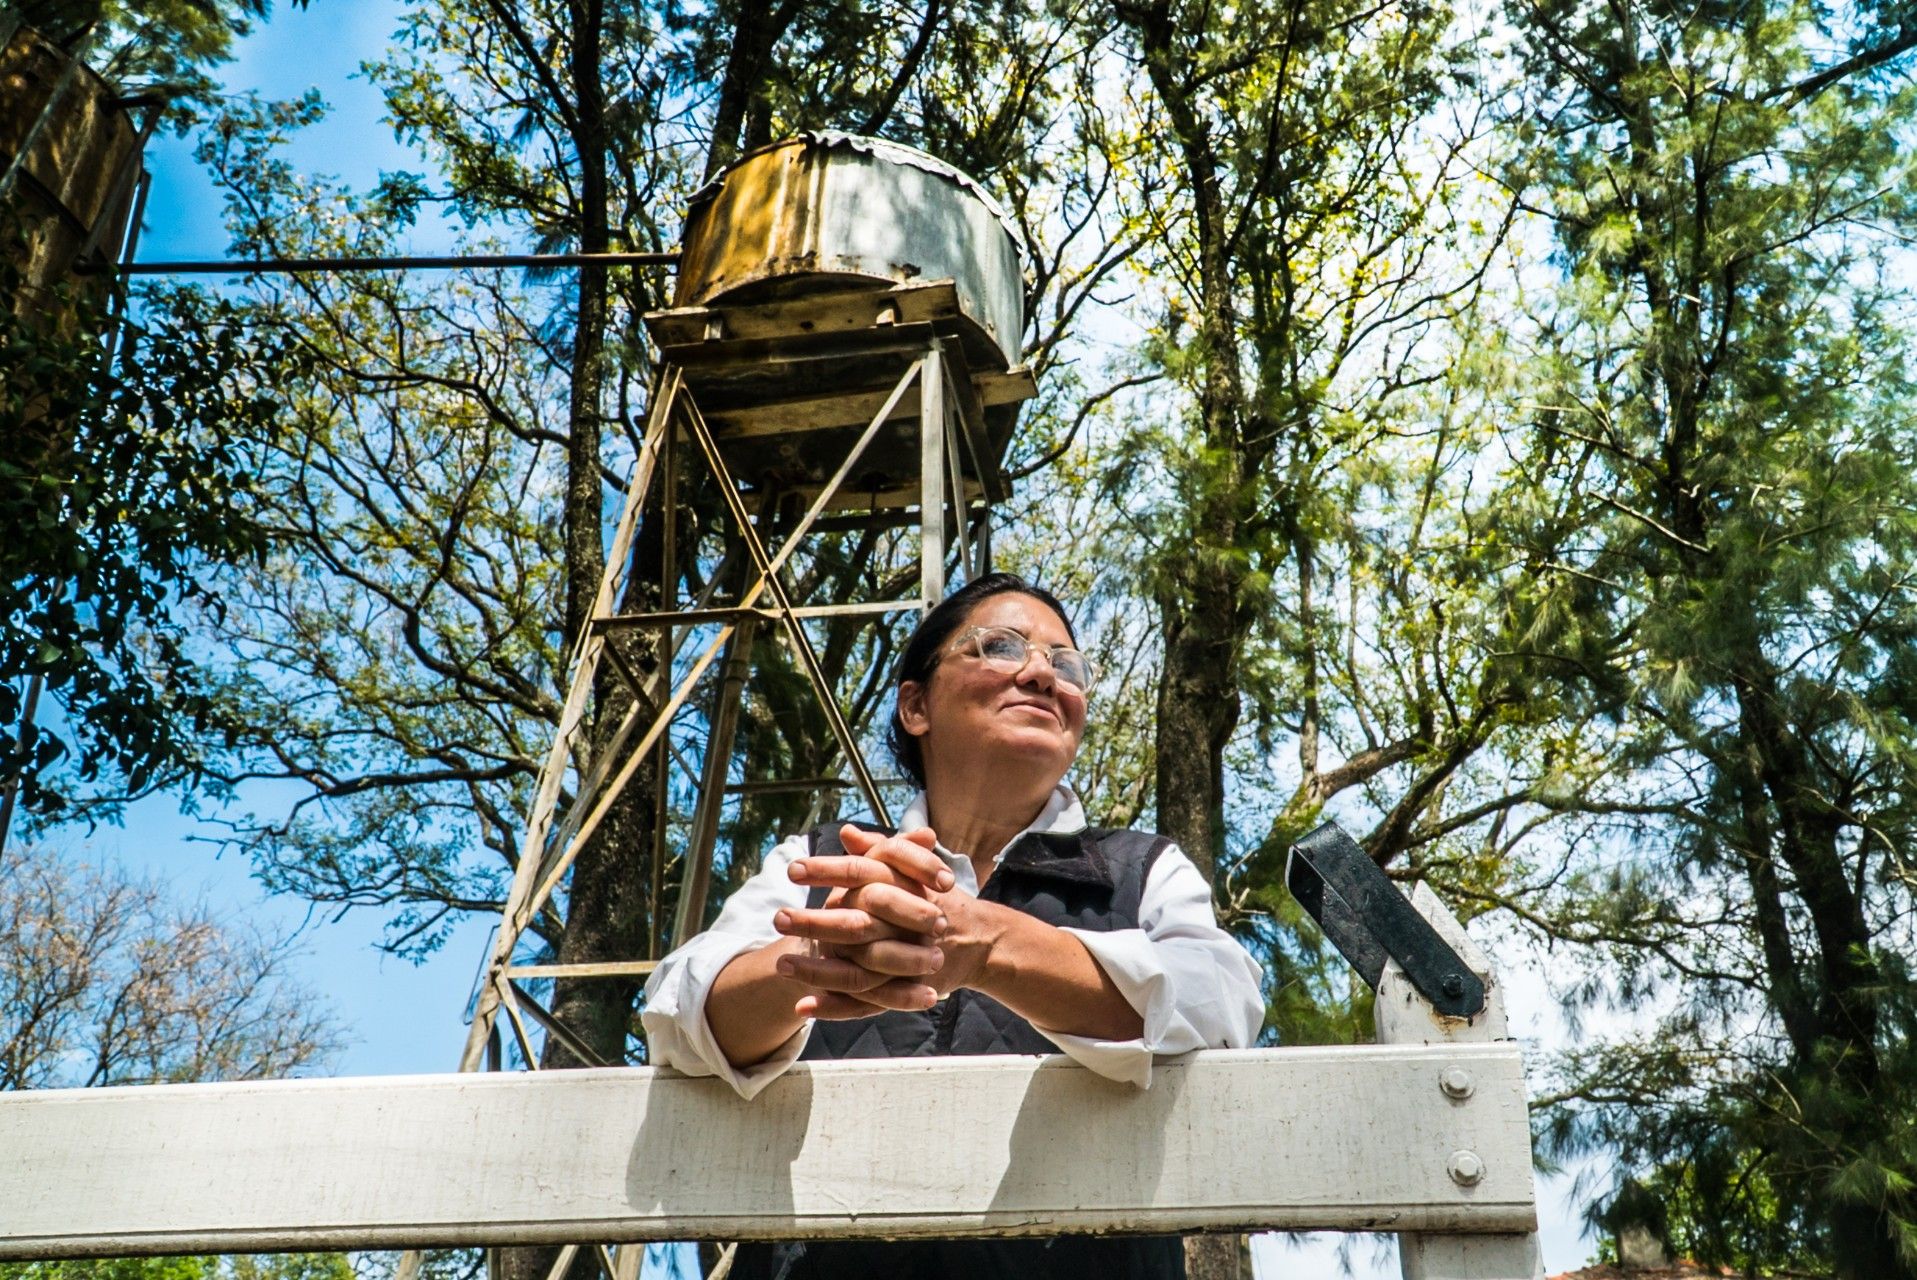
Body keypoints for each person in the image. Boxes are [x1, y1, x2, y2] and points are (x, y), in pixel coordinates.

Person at [642, 572, 1264, 1279]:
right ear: (915, 705)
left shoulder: (1145, 867)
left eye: (1066, 665)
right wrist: (819, 952)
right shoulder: (821, 863)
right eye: (998, 647)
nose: (1039, 673)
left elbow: (1221, 1006)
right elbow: (676, 1018)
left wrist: (986, 946)